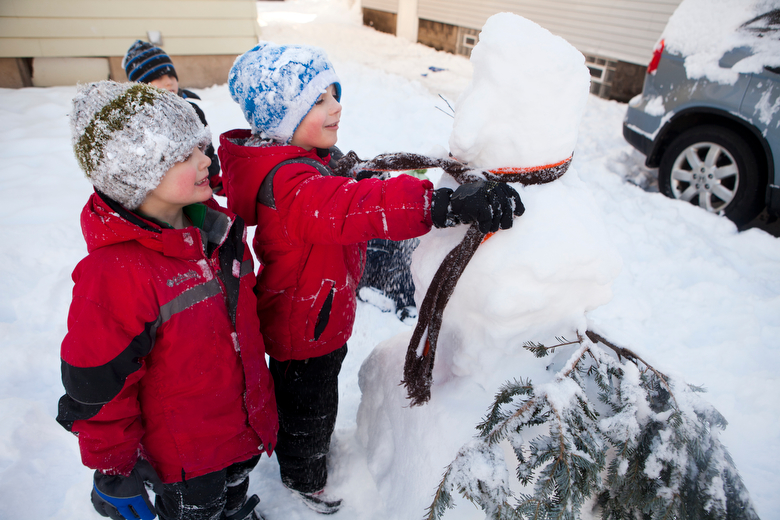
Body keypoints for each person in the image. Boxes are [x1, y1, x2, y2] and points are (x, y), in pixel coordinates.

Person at [218, 42, 524, 515]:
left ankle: (303, 456)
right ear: (281, 122)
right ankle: (304, 479)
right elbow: (355, 207)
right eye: (317, 101)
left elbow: (351, 190)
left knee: (310, 398)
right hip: (305, 329)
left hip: (316, 313)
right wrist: (440, 205)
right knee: (308, 408)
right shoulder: (293, 186)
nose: (336, 106)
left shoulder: (305, 161)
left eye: (334, 93)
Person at [57, 80, 278, 520]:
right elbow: (99, 387)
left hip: (242, 424)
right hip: (184, 459)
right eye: (184, 155)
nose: (205, 160)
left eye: (201, 146)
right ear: (139, 173)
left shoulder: (218, 231)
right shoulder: (116, 275)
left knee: (235, 489)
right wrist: (114, 468)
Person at [122, 39, 223, 193]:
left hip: (201, 183)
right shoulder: (141, 121)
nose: (169, 82)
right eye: (158, 78)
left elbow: (206, 148)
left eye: (171, 76)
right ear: (141, 86)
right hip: (168, 192)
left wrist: (213, 177)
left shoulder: (192, 110)